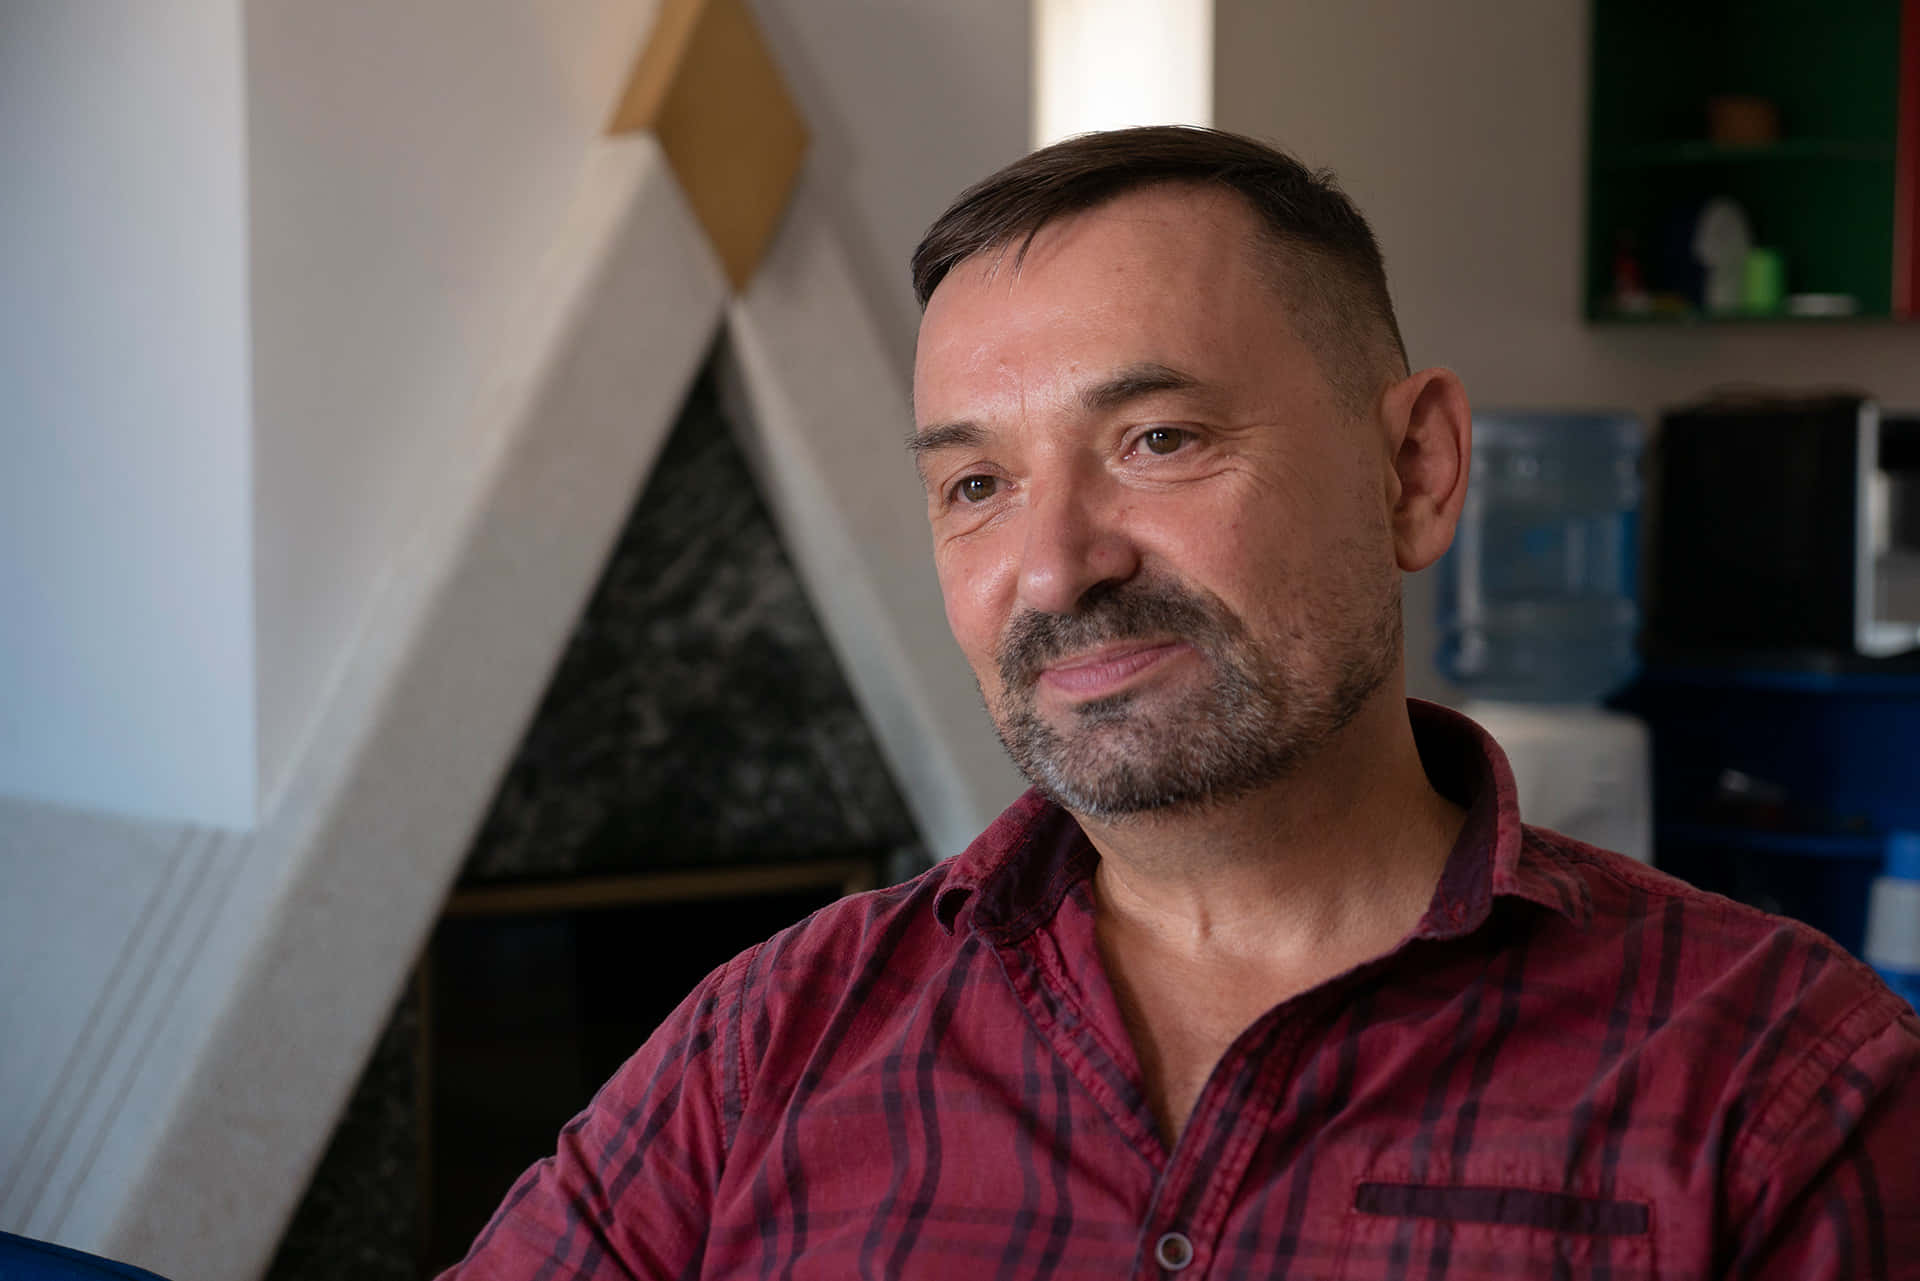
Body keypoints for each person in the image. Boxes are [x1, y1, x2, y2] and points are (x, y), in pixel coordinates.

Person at [442, 127, 1920, 1278]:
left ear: (1415, 471)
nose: (1054, 567)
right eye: (976, 483)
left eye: (1156, 438)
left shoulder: (1781, 1085)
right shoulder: (768, 1044)